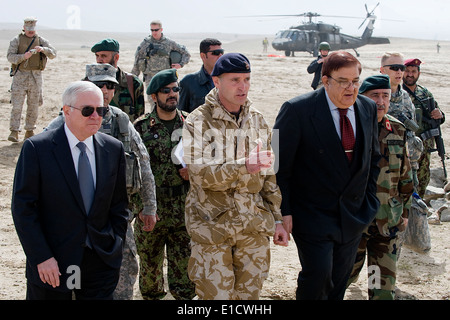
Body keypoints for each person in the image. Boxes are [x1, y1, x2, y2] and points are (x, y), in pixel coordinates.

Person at [44, 63, 158, 300]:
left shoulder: (121, 121)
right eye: (99, 85)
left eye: (110, 86)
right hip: (76, 218)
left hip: (115, 216)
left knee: (124, 272)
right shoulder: (64, 120)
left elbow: (143, 163)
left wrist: (149, 207)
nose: (105, 91)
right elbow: (43, 156)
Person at [273, 51, 381, 300]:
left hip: (354, 215)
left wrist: (370, 202)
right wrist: (283, 212)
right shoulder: (296, 110)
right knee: (318, 275)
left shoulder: (367, 107)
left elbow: (373, 159)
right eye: (343, 81)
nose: (351, 88)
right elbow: (280, 168)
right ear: (325, 81)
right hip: (312, 214)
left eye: (355, 81)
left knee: (340, 279)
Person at [182, 53, 289, 300]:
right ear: (216, 81)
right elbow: (200, 175)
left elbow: (269, 176)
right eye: (235, 80)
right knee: (215, 298)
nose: (243, 86)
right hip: (212, 228)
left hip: (252, 228)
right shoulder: (197, 121)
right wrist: (244, 166)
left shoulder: (258, 120)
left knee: (248, 298)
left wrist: (278, 219)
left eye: (247, 79)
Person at [12, 81, 129, 300]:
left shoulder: (113, 149)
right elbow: (23, 209)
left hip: (100, 261)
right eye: (88, 110)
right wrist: (41, 257)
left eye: (101, 110)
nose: (96, 116)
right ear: (67, 111)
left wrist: (115, 244)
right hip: (53, 265)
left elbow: (119, 205)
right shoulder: (38, 149)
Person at [347, 74, 413, 300]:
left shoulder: (397, 129)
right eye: (374, 95)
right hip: (354, 224)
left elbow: (405, 174)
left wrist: (405, 211)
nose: (381, 101)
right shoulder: (349, 127)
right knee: (342, 277)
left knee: (381, 288)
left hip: (387, 222)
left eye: (385, 95)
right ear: (361, 97)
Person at [133, 68, 195, 300]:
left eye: (175, 89)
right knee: (150, 275)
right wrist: (141, 208)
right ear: (154, 97)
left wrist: (195, 172)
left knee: (185, 278)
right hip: (152, 211)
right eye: (165, 91)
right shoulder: (140, 128)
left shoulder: (191, 124)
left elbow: (207, 162)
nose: (172, 94)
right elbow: (131, 176)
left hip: (183, 210)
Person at [7, 17, 56, 142]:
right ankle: (14, 131)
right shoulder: (16, 40)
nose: (30, 31)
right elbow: (10, 57)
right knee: (17, 105)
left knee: (33, 105)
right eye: (28, 28)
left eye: (32, 28)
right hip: (20, 76)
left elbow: (53, 54)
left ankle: (30, 130)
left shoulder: (41, 40)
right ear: (24, 27)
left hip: (36, 77)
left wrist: (43, 49)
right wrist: (24, 56)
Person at [402, 58, 445, 198]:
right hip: (406, 146)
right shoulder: (398, 93)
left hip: (425, 147)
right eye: (407, 71)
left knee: (423, 179)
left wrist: (439, 114)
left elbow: (439, 116)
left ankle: (418, 210)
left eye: (413, 71)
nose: (410, 74)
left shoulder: (425, 93)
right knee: (406, 180)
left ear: (418, 73)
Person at [380, 52, 423, 190]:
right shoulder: (373, 97)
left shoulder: (405, 97)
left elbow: (411, 131)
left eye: (401, 68)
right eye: (394, 67)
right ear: (382, 70)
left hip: (408, 166)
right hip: (384, 169)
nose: (399, 72)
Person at [131, 20, 190, 101]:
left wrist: (180, 64)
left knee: (168, 101)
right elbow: (137, 60)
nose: (154, 32)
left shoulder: (169, 43)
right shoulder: (145, 43)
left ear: (161, 29)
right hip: (150, 78)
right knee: (153, 101)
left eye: (156, 30)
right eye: (152, 30)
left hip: (166, 77)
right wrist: (132, 78)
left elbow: (186, 53)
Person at [91, 38, 145, 122]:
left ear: (116, 57)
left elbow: (140, 120)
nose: (99, 60)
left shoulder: (133, 83)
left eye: (103, 56)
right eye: (97, 56)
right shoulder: (88, 84)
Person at [178, 38, 223, 112]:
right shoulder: (188, 82)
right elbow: (182, 113)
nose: (220, 56)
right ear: (203, 56)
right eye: (216, 53)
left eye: (222, 52)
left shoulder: (228, 80)